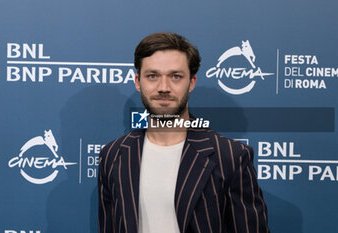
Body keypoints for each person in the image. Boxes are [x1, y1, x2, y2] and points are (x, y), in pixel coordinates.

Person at [98, 32, 270, 233]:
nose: (164, 87)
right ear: (138, 81)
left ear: (192, 82)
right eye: (152, 76)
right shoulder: (113, 155)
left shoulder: (230, 157)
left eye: (175, 76)